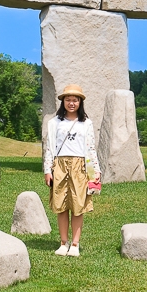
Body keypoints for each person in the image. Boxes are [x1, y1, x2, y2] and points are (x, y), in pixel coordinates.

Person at [43, 84, 100, 257]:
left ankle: (75, 244)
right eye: (68, 100)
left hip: (80, 166)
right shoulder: (54, 123)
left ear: (80, 102)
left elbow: (91, 148)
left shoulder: (86, 123)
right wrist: (47, 170)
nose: (72, 103)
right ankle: (63, 242)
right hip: (59, 165)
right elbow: (49, 147)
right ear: (63, 102)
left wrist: (95, 171)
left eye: (75, 100)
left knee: (77, 205)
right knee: (61, 205)